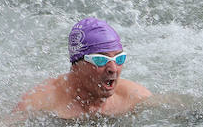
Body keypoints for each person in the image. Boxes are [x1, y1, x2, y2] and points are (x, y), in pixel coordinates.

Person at [11, 18, 152, 120]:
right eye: (100, 60)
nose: (113, 69)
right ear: (76, 65)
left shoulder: (134, 98)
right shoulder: (40, 104)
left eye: (119, 59)